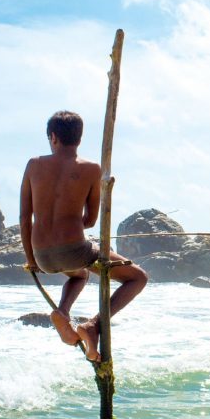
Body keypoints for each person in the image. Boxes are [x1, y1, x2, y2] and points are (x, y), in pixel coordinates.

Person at [20, 110, 148, 362]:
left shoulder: (33, 164)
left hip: (43, 256)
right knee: (138, 278)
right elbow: (90, 220)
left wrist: (31, 260)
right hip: (75, 250)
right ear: (79, 139)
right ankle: (94, 326)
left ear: (53, 137)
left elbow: (25, 218)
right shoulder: (91, 169)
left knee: (78, 276)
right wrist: (70, 220)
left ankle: (63, 311)